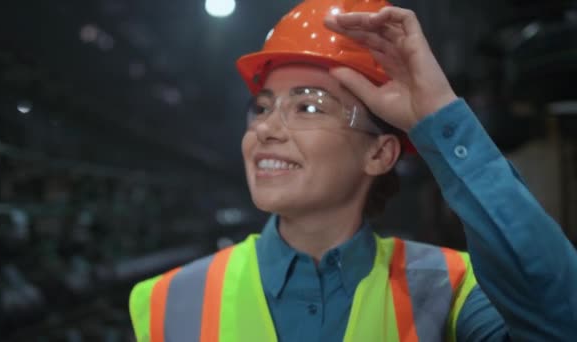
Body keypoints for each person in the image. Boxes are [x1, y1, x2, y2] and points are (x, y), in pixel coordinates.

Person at [128, 0, 577, 341]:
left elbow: (561, 321)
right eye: (262, 108)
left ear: (380, 155)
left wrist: (439, 114)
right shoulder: (166, 302)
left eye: (306, 106)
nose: (264, 129)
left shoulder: (454, 290)